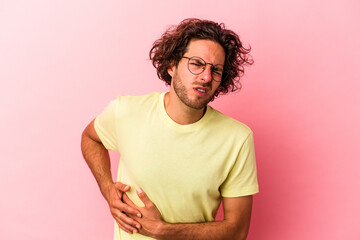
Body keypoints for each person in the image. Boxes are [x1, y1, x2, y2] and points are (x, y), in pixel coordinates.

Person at [81, 18, 259, 240]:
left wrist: (162, 231)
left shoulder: (237, 139)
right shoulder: (126, 111)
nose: (206, 77)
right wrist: (107, 189)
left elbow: (238, 230)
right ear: (172, 65)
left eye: (216, 70)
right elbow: (90, 138)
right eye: (196, 63)